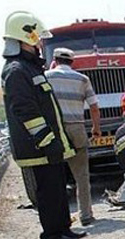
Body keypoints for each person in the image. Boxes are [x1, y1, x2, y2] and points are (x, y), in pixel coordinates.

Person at [1, 11, 86, 239]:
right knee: (48, 192)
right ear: (26, 37)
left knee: (58, 188)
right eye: (37, 38)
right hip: (38, 147)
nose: (40, 43)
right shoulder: (17, 71)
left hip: (49, 144)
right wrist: (47, 140)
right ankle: (52, 235)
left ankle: (63, 229)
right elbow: (26, 111)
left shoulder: (30, 68)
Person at [45, 47, 100, 226]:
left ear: (55, 60)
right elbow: (93, 106)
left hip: (54, 130)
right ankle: (86, 215)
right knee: (81, 175)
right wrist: (96, 127)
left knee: (55, 175)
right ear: (72, 61)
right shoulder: (82, 79)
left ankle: (61, 218)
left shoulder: (46, 76)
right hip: (76, 128)